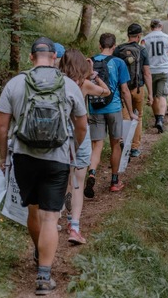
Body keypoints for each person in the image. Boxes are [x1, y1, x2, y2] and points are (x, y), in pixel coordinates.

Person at [0, 37, 88, 296]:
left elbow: (1, 127)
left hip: (24, 157)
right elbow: (81, 125)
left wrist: (3, 158)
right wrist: (75, 149)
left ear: (30, 57)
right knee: (51, 216)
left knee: (33, 211)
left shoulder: (14, 83)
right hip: (57, 158)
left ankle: (39, 252)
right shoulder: (68, 85)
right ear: (55, 58)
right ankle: (44, 277)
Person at [59, 48, 111, 245]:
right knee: (78, 182)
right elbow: (106, 92)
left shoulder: (57, 83)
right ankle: (74, 226)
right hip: (80, 133)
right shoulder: (85, 84)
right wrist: (93, 75)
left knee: (62, 178)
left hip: (60, 133)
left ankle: (55, 218)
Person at [85, 33, 139, 198]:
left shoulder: (90, 62)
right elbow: (124, 90)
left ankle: (92, 173)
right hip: (114, 108)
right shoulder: (119, 62)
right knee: (116, 144)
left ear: (100, 46)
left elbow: (85, 87)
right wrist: (130, 113)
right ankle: (114, 182)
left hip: (95, 109)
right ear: (114, 46)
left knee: (97, 146)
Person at [113, 23, 153, 158]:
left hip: (123, 88)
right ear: (139, 35)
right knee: (138, 117)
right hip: (138, 88)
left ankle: (124, 145)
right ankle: (135, 148)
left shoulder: (118, 50)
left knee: (125, 118)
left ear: (128, 35)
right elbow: (147, 73)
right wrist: (151, 94)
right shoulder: (142, 50)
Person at [141, 19, 168, 133]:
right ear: (161, 26)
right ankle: (160, 120)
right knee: (162, 95)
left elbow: (142, 56)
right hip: (163, 70)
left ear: (151, 27)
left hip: (150, 71)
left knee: (152, 95)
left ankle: (156, 118)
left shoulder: (144, 40)